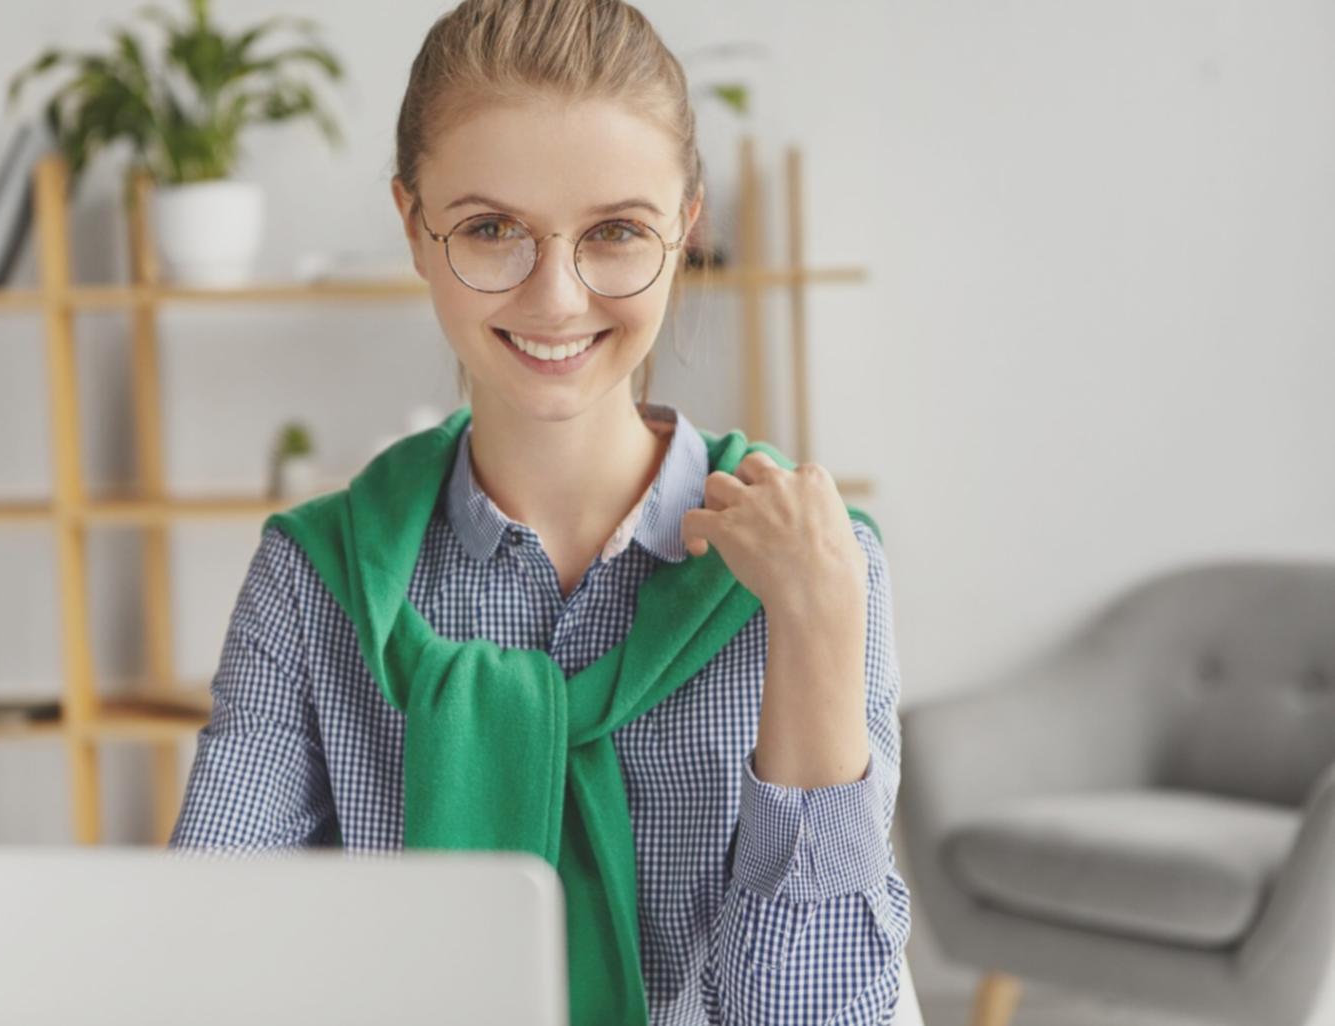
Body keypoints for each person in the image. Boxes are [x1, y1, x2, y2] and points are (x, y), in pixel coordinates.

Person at [169, 1, 911, 1023]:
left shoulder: (814, 567)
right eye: (489, 229)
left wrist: (820, 628)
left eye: (615, 232)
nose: (556, 298)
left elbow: (818, 1015)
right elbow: (214, 960)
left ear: (684, 228)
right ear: (413, 227)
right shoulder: (317, 579)